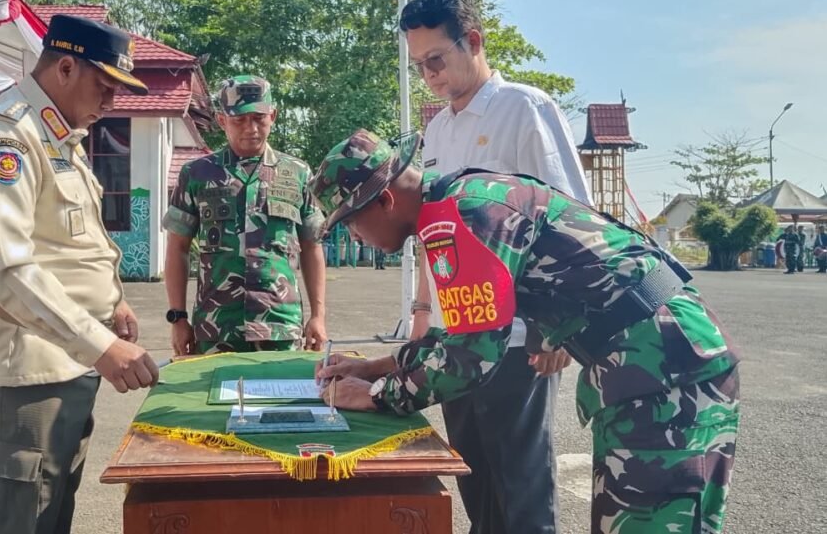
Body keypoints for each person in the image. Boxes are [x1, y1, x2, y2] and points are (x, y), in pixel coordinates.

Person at [310, 129, 741, 534]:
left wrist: (378, 394)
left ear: (385, 200)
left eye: (350, 221)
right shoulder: (459, 202)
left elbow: (469, 359)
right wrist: (380, 366)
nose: (354, 235)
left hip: (666, 370)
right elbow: (470, 331)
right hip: (647, 364)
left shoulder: (467, 213)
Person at [0, 15, 159, 534]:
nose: (111, 102)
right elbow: (11, 271)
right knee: (19, 521)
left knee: (50, 516)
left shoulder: (60, 136)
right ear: (65, 67)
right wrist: (102, 345)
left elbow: (68, 242)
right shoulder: (5, 138)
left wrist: (112, 303)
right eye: (104, 86)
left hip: (65, 363)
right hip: (20, 372)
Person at [401, 0, 590, 534]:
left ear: (474, 41)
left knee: (521, 487)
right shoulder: (436, 129)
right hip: (455, 335)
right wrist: (420, 311)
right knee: (475, 480)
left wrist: (558, 329)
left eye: (436, 58)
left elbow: (572, 218)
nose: (429, 74)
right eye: (419, 66)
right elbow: (431, 229)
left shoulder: (524, 109)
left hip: (519, 337)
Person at [163, 75, 327, 355]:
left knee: (280, 397)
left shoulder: (297, 173)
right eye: (239, 120)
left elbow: (312, 246)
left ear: (272, 116)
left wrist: (318, 316)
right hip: (217, 325)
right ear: (221, 120)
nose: (251, 128)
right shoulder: (197, 174)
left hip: (280, 324)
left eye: (259, 118)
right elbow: (177, 247)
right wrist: (178, 317)